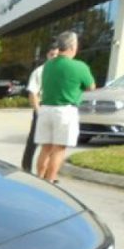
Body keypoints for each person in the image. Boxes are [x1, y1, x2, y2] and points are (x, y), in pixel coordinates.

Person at [34, 31, 95, 183]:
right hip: (65, 111)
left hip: (46, 109)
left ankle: (39, 179)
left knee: (45, 148)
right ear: (72, 46)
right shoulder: (79, 66)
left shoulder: (48, 65)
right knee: (59, 149)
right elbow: (91, 87)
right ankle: (50, 182)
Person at [21, 41, 59, 172]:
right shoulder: (39, 71)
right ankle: (26, 169)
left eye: (57, 55)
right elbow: (33, 92)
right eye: (52, 54)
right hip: (42, 108)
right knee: (33, 141)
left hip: (56, 109)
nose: (54, 57)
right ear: (47, 55)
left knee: (53, 143)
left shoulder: (61, 71)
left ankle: (49, 175)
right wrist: (38, 111)